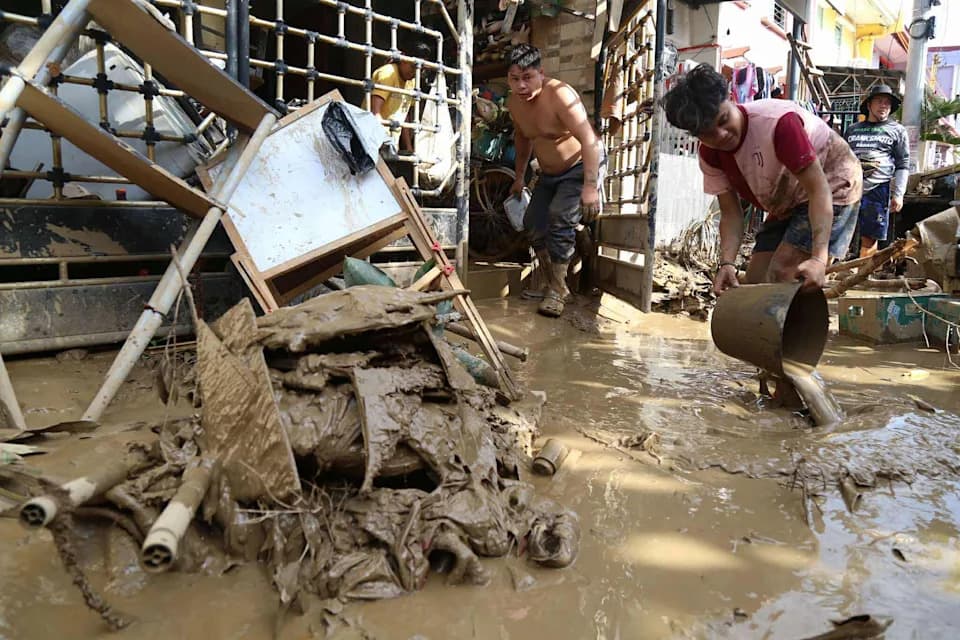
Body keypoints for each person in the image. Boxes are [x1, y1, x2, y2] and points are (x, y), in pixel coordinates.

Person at [662, 64, 862, 295]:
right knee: (756, 280)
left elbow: (818, 189)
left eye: (723, 120)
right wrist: (727, 264)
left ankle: (800, 316)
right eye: (708, 134)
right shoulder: (710, 155)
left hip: (833, 185)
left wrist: (818, 258)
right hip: (788, 198)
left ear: (731, 98)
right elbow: (731, 213)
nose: (721, 135)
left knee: (785, 272)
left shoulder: (778, 124)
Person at [506, 44, 604, 317]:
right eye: (515, 79)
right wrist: (519, 177)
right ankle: (554, 282)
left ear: (541, 73)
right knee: (532, 224)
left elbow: (589, 140)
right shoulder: (514, 103)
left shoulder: (560, 95)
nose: (521, 85)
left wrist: (590, 186)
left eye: (528, 77)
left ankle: (558, 291)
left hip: (578, 168)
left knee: (560, 218)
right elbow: (523, 139)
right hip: (548, 174)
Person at [844, 84, 909, 257]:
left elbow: (903, 164)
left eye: (887, 103)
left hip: (878, 189)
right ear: (869, 104)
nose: (883, 106)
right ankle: (832, 270)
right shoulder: (852, 129)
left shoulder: (897, 130)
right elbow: (841, 159)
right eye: (879, 101)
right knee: (839, 233)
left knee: (870, 238)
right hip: (849, 187)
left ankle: (864, 271)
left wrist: (899, 194)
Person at [370, 40, 433, 153]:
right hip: (375, 141)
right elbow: (375, 112)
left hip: (392, 144)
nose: (415, 72)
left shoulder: (412, 81)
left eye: (420, 69)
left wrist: (408, 147)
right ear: (403, 57)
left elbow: (404, 113)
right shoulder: (388, 73)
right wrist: (383, 140)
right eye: (413, 66)